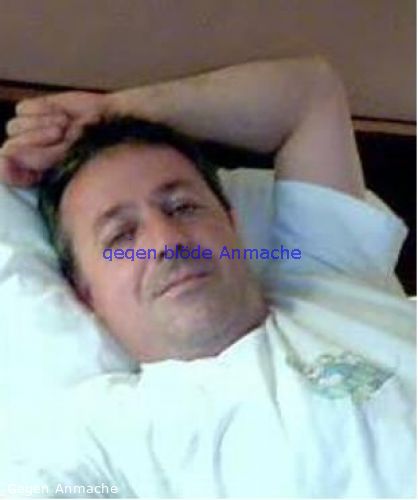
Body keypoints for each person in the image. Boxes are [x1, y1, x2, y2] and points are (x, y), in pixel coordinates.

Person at [0, 57, 415, 498]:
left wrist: (113, 110)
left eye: (183, 207)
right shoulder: (100, 443)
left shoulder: (327, 270)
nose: (167, 241)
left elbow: (310, 94)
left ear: (232, 225)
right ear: (85, 295)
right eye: (121, 235)